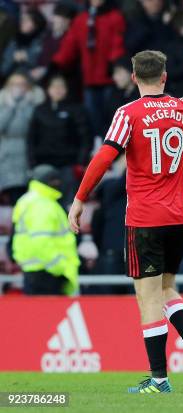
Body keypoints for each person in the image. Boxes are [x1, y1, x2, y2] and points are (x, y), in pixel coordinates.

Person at [67, 50, 183, 393]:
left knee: (148, 298)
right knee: (166, 288)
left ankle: (159, 379)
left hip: (144, 218)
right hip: (179, 215)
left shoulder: (128, 113)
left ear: (134, 77)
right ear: (164, 77)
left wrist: (79, 200)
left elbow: (104, 158)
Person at [52, 0, 126, 138]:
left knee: (111, 116)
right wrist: (57, 63)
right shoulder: (82, 19)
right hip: (89, 79)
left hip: (109, 78)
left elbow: (118, 42)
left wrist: (114, 63)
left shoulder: (115, 17)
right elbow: (70, 44)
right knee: (91, 118)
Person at [12, 165, 79, 295]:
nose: (58, 183)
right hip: (48, 274)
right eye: (54, 180)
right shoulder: (42, 204)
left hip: (37, 271)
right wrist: (61, 267)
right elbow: (41, 242)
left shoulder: (31, 200)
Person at [28, 74, 91, 206]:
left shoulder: (76, 110)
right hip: (43, 164)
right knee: (42, 202)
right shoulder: (40, 110)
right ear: (48, 89)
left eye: (61, 86)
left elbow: (85, 137)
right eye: (54, 86)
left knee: (68, 203)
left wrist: (80, 162)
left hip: (68, 164)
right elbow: (31, 139)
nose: (58, 89)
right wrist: (33, 163)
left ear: (66, 89)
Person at [0, 71, 45, 204]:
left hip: (27, 153)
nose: (18, 87)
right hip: (7, 154)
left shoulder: (34, 103)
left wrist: (23, 106)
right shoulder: (2, 102)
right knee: (13, 194)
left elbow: (32, 126)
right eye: (14, 84)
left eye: (21, 84)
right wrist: (11, 107)